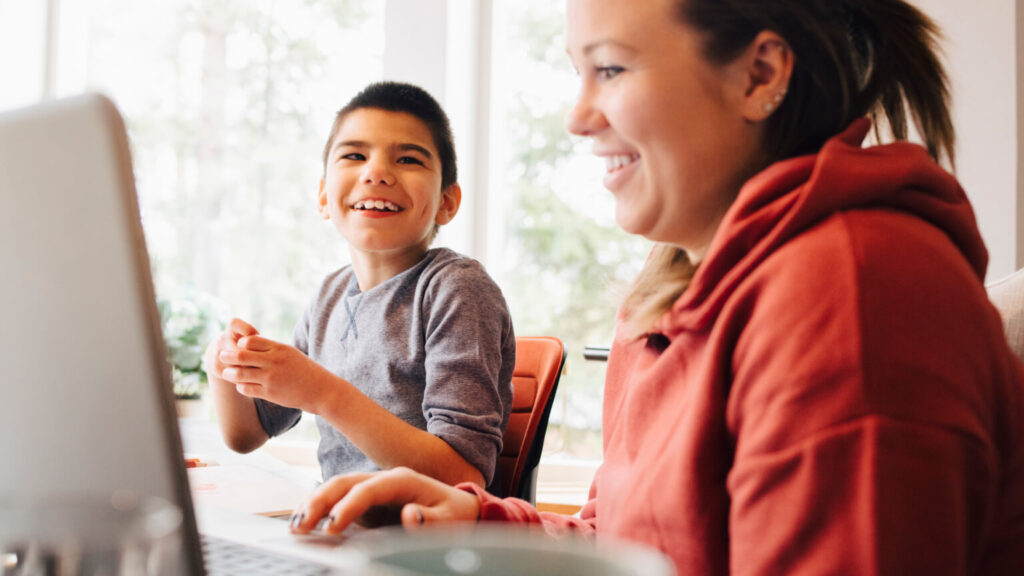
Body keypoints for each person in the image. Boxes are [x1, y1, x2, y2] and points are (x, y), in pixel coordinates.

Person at [291, 1, 1024, 574]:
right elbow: (629, 541)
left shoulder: (854, 290)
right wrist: (472, 519)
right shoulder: (666, 294)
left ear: (760, 74)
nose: (577, 117)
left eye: (610, 69)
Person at [203, 81, 516, 491]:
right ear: (322, 195)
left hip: (417, 544)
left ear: (447, 201)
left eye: (407, 159)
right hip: (341, 527)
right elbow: (246, 435)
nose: (376, 173)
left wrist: (323, 393)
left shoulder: (456, 289)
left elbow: (462, 478)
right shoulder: (329, 297)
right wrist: (224, 364)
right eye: (354, 155)